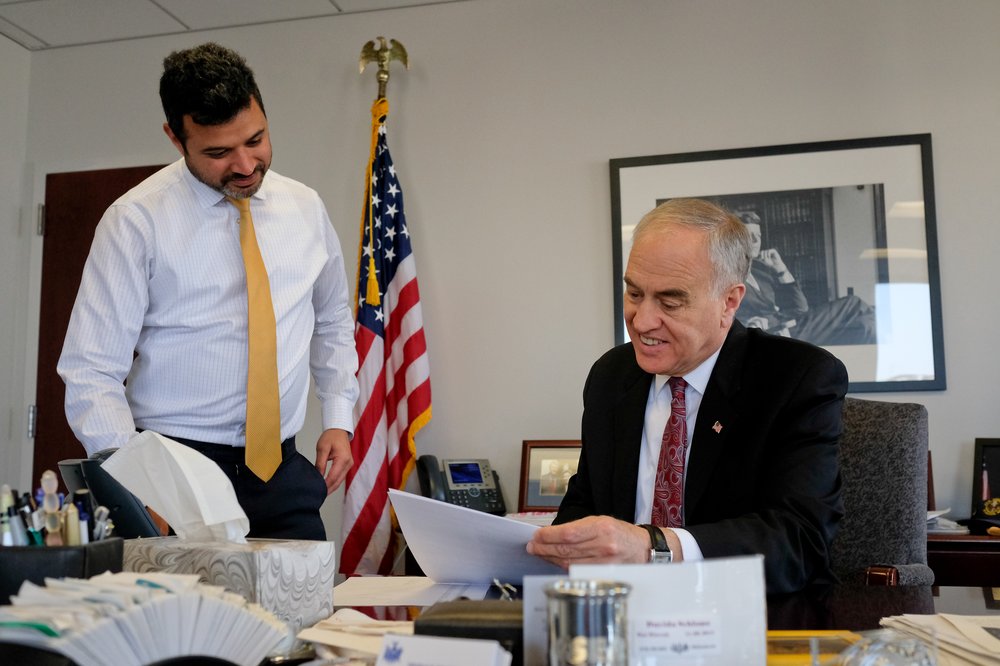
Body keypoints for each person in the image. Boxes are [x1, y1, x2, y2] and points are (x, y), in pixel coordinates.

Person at [57, 43, 359, 540]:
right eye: (218, 152)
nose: (244, 165)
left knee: (301, 617)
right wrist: (137, 481)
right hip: (175, 471)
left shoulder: (305, 207)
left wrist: (339, 417)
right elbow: (90, 370)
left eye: (256, 140)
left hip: (282, 473)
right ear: (175, 138)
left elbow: (330, 320)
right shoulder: (136, 220)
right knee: (184, 619)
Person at [527, 198, 848, 593]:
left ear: (729, 302)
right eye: (634, 294)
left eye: (670, 301)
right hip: (623, 620)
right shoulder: (611, 377)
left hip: (756, 621)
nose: (642, 322)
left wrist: (655, 547)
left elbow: (799, 541)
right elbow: (585, 506)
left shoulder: (795, 378)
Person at [737, 211, 875, 345]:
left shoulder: (762, 274)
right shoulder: (726, 279)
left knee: (866, 325)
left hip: (791, 328)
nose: (756, 240)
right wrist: (766, 322)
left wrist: (781, 269)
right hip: (775, 337)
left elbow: (799, 308)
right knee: (853, 302)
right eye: (749, 235)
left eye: (758, 235)